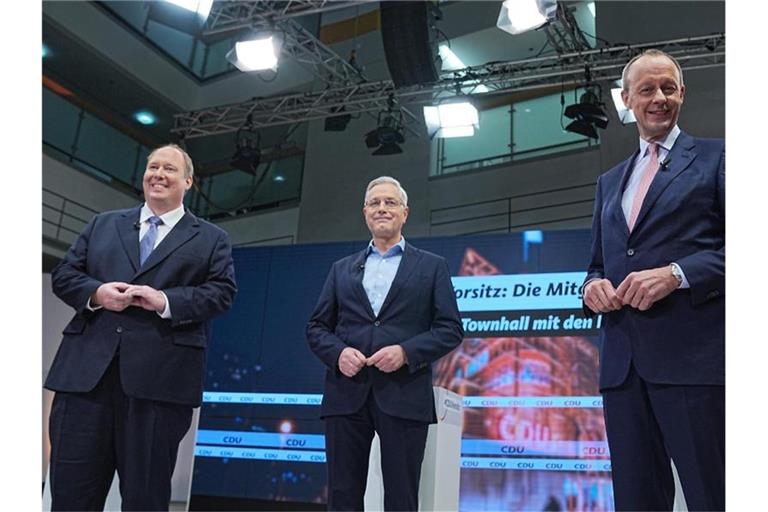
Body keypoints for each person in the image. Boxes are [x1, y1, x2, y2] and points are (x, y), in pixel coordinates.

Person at [45, 144, 237, 511]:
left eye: (169, 168)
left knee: (145, 498)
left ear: (188, 181)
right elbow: (65, 274)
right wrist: (97, 293)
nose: (158, 174)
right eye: (153, 167)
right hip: (85, 383)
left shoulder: (212, 238)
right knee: (70, 495)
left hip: (159, 386)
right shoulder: (103, 224)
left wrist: (165, 300)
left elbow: (221, 294)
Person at [582, 50, 724, 511]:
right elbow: (597, 265)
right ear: (626, 100)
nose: (658, 98)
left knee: (711, 493)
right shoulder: (609, 181)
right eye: (646, 89)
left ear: (682, 93)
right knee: (637, 500)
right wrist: (591, 289)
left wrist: (678, 274)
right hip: (623, 369)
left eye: (668, 87)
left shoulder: (719, 158)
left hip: (693, 363)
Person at [306, 176, 463, 511]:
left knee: (402, 497)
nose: (382, 208)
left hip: (404, 394)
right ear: (365, 212)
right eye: (375, 202)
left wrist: (406, 352)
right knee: (343, 496)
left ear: (405, 213)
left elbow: (450, 329)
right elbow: (317, 327)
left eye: (390, 202)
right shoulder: (340, 269)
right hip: (345, 395)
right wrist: (338, 354)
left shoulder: (432, 267)